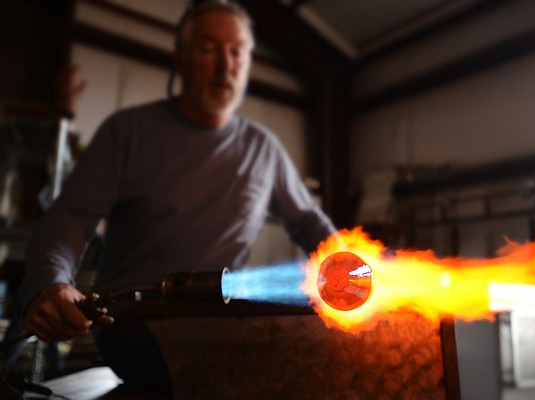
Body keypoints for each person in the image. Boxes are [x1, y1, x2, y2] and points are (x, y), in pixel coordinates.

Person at [21, 0, 337, 395]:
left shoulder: (263, 148)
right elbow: (72, 215)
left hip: (224, 325)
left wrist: (348, 265)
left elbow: (309, 222)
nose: (226, 66)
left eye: (237, 52)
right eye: (208, 49)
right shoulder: (129, 131)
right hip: (133, 325)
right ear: (181, 60)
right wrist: (51, 283)